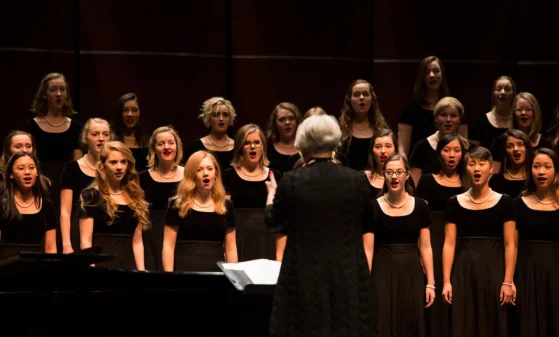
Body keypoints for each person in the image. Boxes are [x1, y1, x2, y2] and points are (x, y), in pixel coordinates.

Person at [264, 114, 378, 337]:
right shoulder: (356, 180)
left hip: (304, 274)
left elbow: (273, 221)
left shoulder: (293, 180)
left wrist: (271, 194)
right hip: (348, 273)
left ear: (303, 144)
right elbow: (371, 220)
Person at [442, 146, 516, 337]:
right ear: (466, 168)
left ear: (491, 168)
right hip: (464, 270)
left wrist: (508, 281)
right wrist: (446, 281)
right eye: (472, 164)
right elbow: (449, 243)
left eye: (482, 164)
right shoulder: (454, 202)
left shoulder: (505, 202)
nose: (476, 169)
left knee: (492, 322)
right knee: (463, 323)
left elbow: (510, 244)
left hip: (493, 269)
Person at [372, 154, 435, 337]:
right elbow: (367, 248)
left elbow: (425, 247)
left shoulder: (420, 206)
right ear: (383, 175)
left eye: (399, 172)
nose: (394, 177)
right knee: (383, 321)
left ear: (407, 175)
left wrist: (430, 283)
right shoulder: (373, 207)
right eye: (390, 172)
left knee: (410, 321)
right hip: (382, 271)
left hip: (411, 272)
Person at [79, 141, 150, 270]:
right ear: (103, 166)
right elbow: (86, 241)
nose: (119, 167)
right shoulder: (92, 196)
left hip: (128, 266)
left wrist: (141, 272)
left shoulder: (135, 197)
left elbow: (137, 241)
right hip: (102, 266)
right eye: (113, 162)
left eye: (123, 162)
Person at [162, 151, 237, 272]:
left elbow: (231, 249)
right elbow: (168, 246)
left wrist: (234, 279)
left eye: (209, 169)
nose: (206, 173)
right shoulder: (177, 205)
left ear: (216, 174)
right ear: (192, 174)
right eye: (199, 169)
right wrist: (169, 277)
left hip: (216, 274)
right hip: (185, 273)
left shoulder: (226, 206)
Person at [513, 148, 559, 337]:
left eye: (547, 167)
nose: (541, 172)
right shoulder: (518, 204)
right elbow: (512, 245)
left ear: (556, 170)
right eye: (536, 166)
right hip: (527, 272)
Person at [59, 118, 112, 253]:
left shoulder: (115, 169)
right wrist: (66, 244)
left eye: (105, 134)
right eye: (95, 134)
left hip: (105, 232)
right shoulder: (72, 169)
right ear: (85, 138)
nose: (101, 138)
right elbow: (65, 212)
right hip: (78, 230)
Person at [139, 126, 185, 270]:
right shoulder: (142, 178)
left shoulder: (188, 175)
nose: (166, 147)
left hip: (181, 237)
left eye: (171, 142)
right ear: (154, 148)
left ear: (177, 146)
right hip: (152, 238)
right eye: (161, 144)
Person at [399, 56, 460, 157]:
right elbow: (402, 150)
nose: (432, 75)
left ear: (442, 75)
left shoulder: (453, 107)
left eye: (436, 71)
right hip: (417, 165)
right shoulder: (410, 109)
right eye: (427, 72)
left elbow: (463, 143)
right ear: (422, 77)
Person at [0, 151, 57, 259]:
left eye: (32, 167)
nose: (27, 172)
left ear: (37, 172)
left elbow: (51, 247)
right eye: (21, 168)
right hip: (6, 264)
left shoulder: (47, 205)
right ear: (11, 174)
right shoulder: (2, 205)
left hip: (36, 265)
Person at [23, 72, 83, 162]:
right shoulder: (30, 126)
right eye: (53, 90)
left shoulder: (76, 127)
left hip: (67, 176)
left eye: (62, 89)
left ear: (66, 94)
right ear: (44, 95)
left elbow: (77, 164)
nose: (58, 94)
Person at [409, 96, 465, 186]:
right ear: (436, 118)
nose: (448, 120)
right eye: (443, 115)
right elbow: (414, 186)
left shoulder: (467, 148)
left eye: (453, 116)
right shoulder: (421, 148)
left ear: (459, 120)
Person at [339, 79, 389, 170]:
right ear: (350, 100)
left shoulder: (380, 129)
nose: (361, 98)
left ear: (372, 99)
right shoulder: (340, 130)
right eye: (356, 95)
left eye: (366, 94)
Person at [416, 133, 467, 212]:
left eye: (457, 150)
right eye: (446, 150)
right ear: (439, 153)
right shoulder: (427, 181)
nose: (452, 155)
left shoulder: (468, 181)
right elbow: (421, 215)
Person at [185, 97, 236, 171]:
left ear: (230, 119)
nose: (221, 118)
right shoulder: (196, 147)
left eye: (225, 115)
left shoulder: (238, 147)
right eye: (216, 114)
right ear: (209, 119)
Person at [470, 76, 516, 149]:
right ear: (493, 93)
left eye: (507, 89)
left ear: (513, 93)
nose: (503, 92)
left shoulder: (518, 120)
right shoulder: (480, 123)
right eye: (498, 89)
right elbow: (474, 154)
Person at [489, 129, 533, 198]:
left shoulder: (534, 179)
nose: (515, 149)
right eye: (510, 146)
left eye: (520, 145)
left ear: (527, 148)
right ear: (505, 152)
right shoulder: (496, 180)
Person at [115, 92, 149, 172]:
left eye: (134, 110)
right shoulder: (112, 139)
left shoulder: (148, 141)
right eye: (125, 110)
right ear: (120, 113)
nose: (130, 114)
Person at [265, 102, 301, 173]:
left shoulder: (306, 146)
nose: (287, 122)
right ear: (275, 124)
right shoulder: (267, 147)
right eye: (282, 119)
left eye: (291, 118)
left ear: (297, 121)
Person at [364, 128, 397, 197]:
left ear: (395, 150)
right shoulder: (362, 178)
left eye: (388, 146)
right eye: (378, 146)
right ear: (372, 150)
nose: (383, 151)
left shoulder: (404, 177)